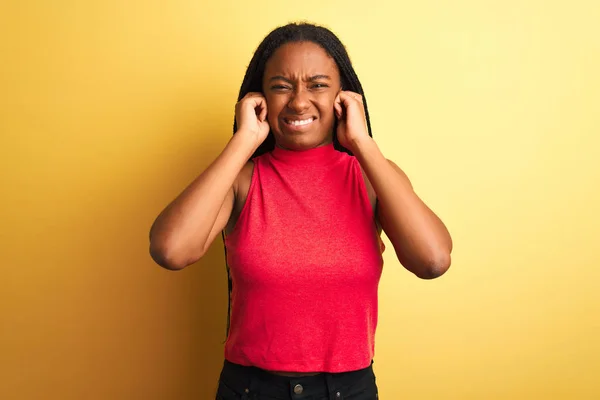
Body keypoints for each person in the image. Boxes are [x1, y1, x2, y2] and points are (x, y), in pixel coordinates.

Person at [149, 22, 452, 400]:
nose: (298, 101)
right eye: (281, 86)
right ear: (259, 99)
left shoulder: (372, 178)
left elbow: (434, 260)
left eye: (318, 84)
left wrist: (362, 142)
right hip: (249, 389)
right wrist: (243, 141)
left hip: (347, 390)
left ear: (345, 97)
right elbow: (171, 250)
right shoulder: (241, 182)